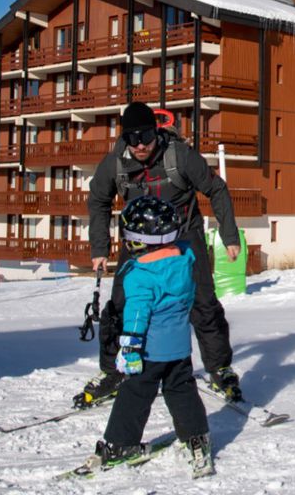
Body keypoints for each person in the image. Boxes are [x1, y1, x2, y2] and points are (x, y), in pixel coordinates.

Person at [77, 101, 243, 409]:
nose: (140, 145)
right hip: (138, 240)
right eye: (132, 138)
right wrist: (100, 248)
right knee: (120, 306)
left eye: (146, 136)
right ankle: (113, 371)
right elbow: (98, 200)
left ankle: (220, 368)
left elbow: (216, 189)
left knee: (203, 302)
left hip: (182, 236)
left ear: (156, 131)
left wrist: (229, 235)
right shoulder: (115, 162)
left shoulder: (179, 156)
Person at [86, 196, 214, 477]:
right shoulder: (184, 260)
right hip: (179, 347)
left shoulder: (140, 274)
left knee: (135, 393)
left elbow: (136, 314)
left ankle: (121, 444)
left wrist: (129, 348)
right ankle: (196, 439)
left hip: (149, 350)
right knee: (181, 390)